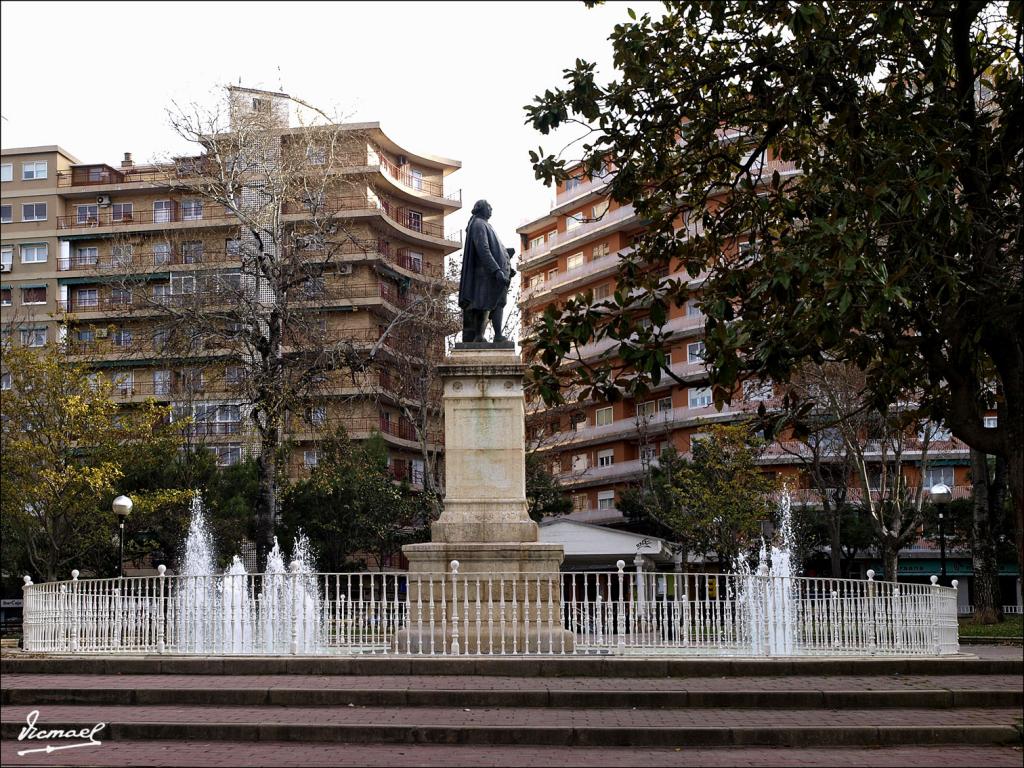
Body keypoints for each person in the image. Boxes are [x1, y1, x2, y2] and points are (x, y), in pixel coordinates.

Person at [458, 199, 515, 342]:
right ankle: (479, 336)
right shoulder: (478, 224)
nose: (491, 209)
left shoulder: (486, 225)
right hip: (486, 274)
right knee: (484, 304)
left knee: (498, 303)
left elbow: (493, 249)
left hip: (496, 274)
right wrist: (496, 270)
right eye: (488, 207)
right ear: (480, 208)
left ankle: (497, 335)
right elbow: (483, 249)